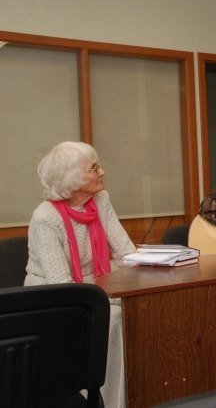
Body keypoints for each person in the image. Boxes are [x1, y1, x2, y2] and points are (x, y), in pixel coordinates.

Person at [25, 141, 136, 408]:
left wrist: (147, 276)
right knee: (115, 317)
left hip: (95, 288)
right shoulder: (45, 218)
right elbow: (63, 288)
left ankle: (137, 395)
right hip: (51, 299)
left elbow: (126, 253)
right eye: (94, 168)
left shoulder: (101, 200)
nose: (102, 172)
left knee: (142, 309)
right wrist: (114, 298)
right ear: (72, 179)